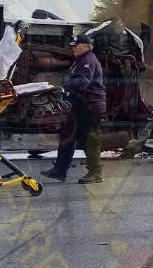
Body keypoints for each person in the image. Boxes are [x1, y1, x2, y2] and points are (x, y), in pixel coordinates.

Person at [43, 32, 106, 184]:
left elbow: (82, 82)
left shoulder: (88, 61)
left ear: (85, 46)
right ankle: (60, 170)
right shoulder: (80, 60)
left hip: (90, 107)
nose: (73, 49)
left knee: (90, 140)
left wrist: (63, 87)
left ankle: (96, 173)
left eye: (76, 46)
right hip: (79, 105)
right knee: (67, 137)